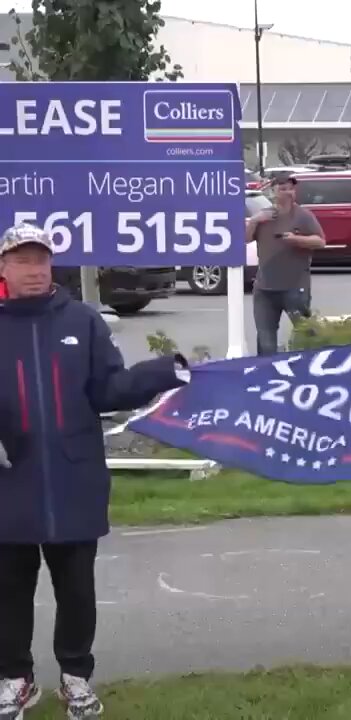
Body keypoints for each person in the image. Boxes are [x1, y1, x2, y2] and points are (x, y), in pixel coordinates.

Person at [0, 223, 189, 720]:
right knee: (9, 593)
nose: (34, 270)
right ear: (4, 269)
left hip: (73, 482)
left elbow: (109, 390)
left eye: (40, 260)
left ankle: (76, 678)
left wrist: (169, 370)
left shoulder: (82, 321)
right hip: (9, 487)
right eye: (22, 260)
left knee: (77, 591)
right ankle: (16, 680)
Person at [246, 174, 326, 356]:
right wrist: (254, 221)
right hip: (265, 289)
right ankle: (268, 376)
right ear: (273, 192)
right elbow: (245, 239)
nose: (288, 193)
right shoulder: (264, 216)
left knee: (307, 334)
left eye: (290, 189)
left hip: (295, 287)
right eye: (282, 189)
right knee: (265, 340)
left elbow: (320, 241)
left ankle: (310, 370)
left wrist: (296, 240)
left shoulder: (304, 216)